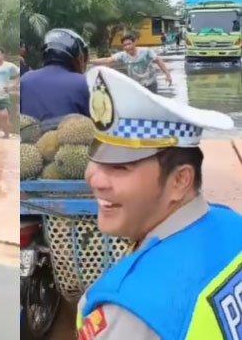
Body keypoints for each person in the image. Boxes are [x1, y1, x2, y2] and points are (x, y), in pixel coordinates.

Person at [76, 66, 242, 340]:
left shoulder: (131, 311)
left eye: (121, 167)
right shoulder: (233, 225)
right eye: (95, 161)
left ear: (180, 181)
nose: (93, 178)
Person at [20, 28, 91, 122]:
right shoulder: (84, 82)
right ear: (77, 56)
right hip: (69, 135)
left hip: (30, 135)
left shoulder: (25, 79)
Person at [91, 33, 173, 93]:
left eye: (129, 44)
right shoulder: (123, 55)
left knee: (153, 104)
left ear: (134, 43)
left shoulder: (146, 52)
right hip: (136, 85)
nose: (127, 47)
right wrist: (89, 61)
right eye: (124, 45)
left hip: (150, 82)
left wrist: (167, 74)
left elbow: (158, 60)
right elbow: (107, 60)